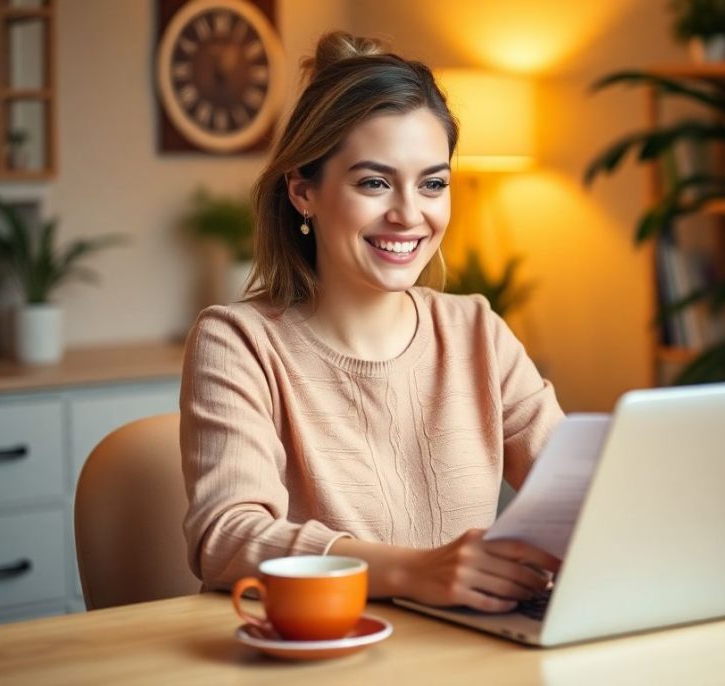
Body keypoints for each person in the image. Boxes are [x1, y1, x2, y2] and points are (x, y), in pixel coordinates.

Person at [180, 31, 563, 613]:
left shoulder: (477, 332)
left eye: (432, 184)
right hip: (326, 647)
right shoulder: (238, 343)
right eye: (374, 183)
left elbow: (577, 494)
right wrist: (414, 572)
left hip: (467, 650)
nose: (409, 214)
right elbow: (226, 537)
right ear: (303, 191)